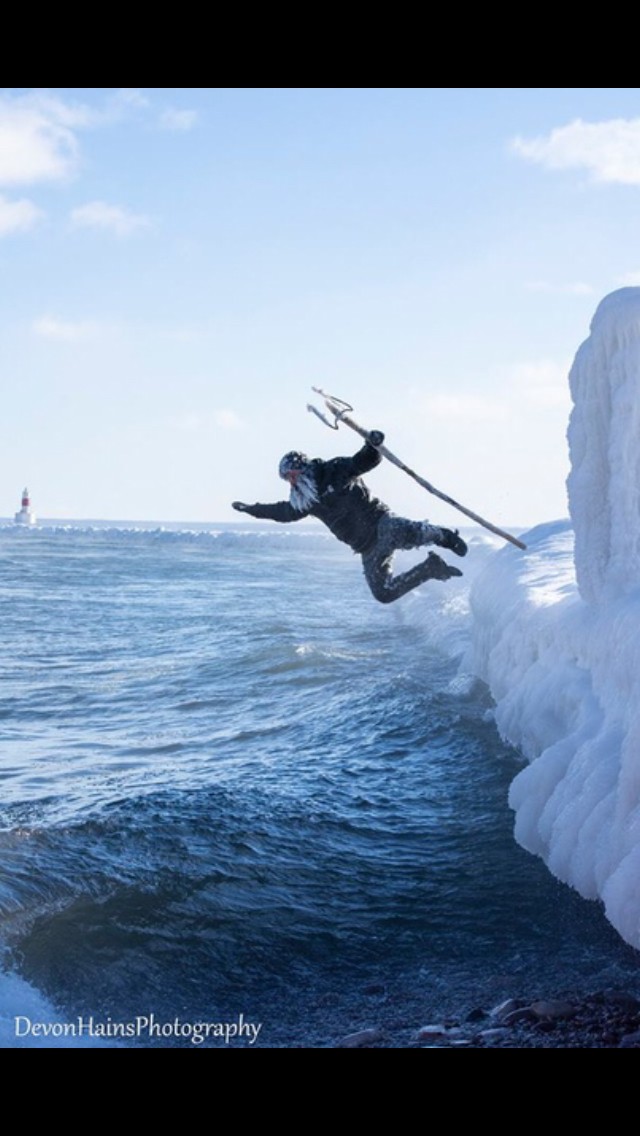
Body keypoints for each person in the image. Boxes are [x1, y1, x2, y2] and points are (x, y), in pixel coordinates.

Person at [232, 431, 467, 603]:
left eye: (291, 475)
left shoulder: (334, 471)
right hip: (367, 549)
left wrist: (372, 445)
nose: (291, 482)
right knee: (383, 593)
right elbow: (282, 512)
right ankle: (431, 569)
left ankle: (443, 536)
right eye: (286, 479)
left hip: (380, 525)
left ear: (302, 468)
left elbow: (362, 462)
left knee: (400, 531)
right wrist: (251, 509)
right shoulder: (307, 501)